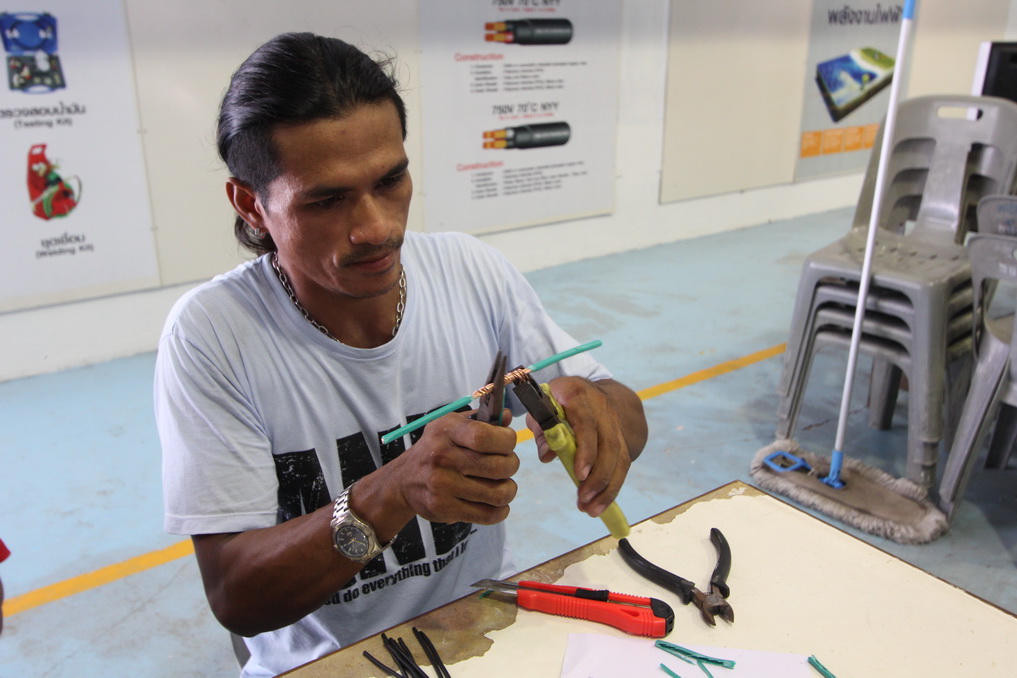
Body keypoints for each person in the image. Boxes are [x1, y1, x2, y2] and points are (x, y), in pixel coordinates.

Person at [155, 32, 647, 677]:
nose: (377, 227)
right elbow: (236, 595)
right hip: (331, 664)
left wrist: (601, 411)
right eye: (326, 200)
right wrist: (390, 492)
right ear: (252, 204)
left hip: (483, 632)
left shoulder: (469, 271)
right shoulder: (215, 335)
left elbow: (627, 416)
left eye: (391, 180)